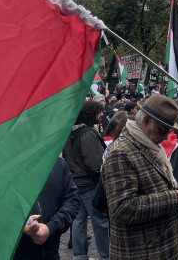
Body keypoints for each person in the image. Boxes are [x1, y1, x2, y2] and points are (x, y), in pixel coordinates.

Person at [102, 95, 178, 259]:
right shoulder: (121, 152)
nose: (166, 137)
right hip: (141, 252)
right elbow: (122, 210)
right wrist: (175, 197)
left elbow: (154, 187)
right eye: (163, 130)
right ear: (146, 121)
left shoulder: (149, 145)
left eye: (170, 131)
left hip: (162, 248)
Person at [62, 101, 110, 260]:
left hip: (75, 183)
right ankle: (106, 256)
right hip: (89, 185)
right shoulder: (87, 134)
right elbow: (94, 164)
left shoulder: (70, 132)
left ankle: (80, 255)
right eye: (99, 112)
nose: (102, 114)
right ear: (91, 113)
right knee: (100, 222)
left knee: (78, 221)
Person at [14, 158, 80, 260]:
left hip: (51, 253)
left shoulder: (56, 164)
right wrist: (19, 225)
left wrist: (51, 228)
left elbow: (72, 200)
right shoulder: (1, 168)